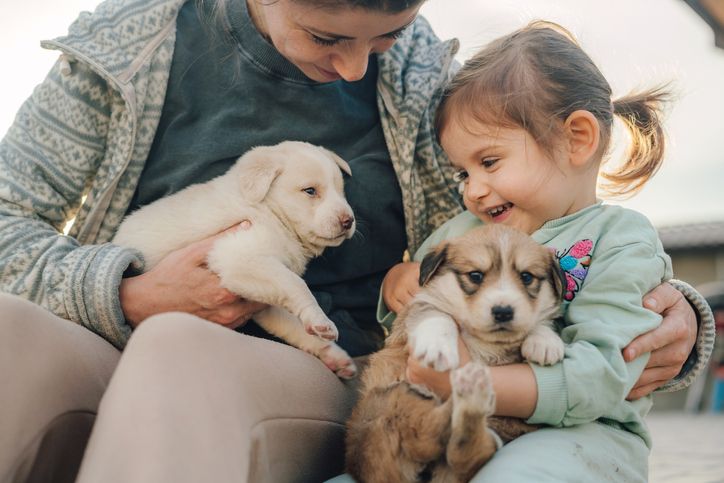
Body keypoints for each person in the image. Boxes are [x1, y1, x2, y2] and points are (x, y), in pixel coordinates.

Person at [0, 1, 710, 481]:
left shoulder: (430, 81)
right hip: (108, 332)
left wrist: (671, 307)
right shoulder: (123, 47)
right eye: (326, 36)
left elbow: (530, 223)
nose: (355, 69)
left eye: (388, 36)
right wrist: (125, 292)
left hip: (333, 367)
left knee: (176, 347)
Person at [371, 21, 717, 482]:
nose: (473, 190)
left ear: (577, 138)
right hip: (459, 426)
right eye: (462, 174)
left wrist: (471, 384)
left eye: (489, 162)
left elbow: (603, 374)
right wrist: (397, 283)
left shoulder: (621, 239)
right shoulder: (461, 231)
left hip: (584, 438)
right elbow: (407, 328)